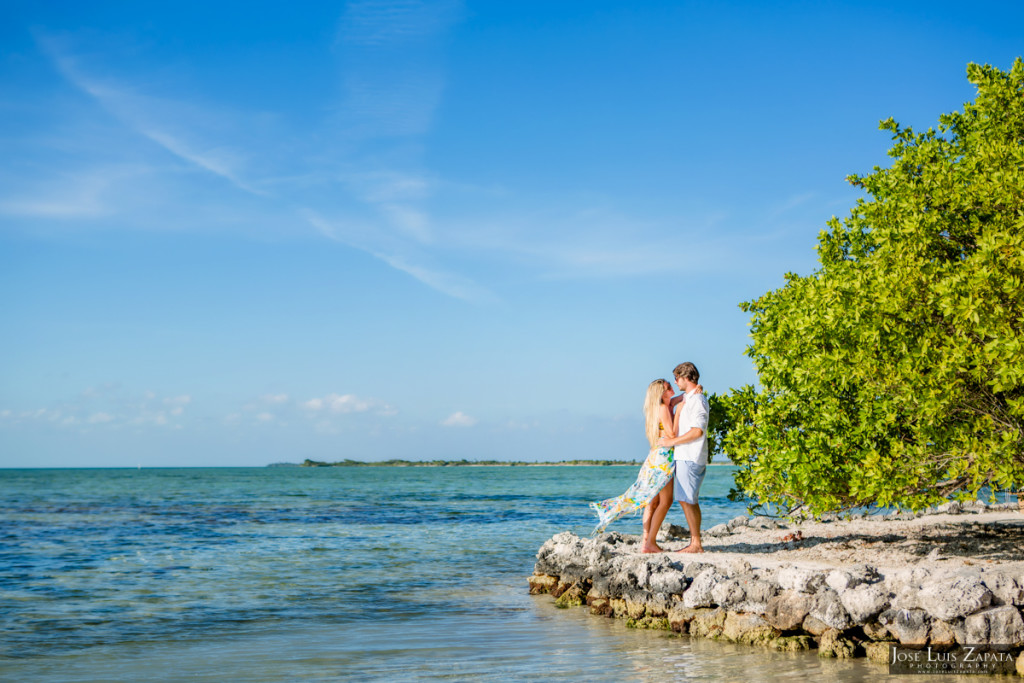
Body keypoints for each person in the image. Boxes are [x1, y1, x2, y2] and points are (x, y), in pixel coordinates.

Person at [589, 379, 676, 552]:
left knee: (651, 503)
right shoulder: (664, 409)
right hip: (663, 460)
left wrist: (690, 395)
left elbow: (676, 400)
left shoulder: (653, 411)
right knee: (666, 502)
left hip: (653, 458)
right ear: (661, 393)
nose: (672, 389)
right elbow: (672, 435)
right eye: (669, 388)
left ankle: (645, 542)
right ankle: (650, 543)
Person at [658, 362, 709, 553]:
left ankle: (696, 543)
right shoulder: (690, 396)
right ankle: (695, 542)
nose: (675, 381)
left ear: (685, 377)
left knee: (688, 499)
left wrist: (673, 442)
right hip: (685, 455)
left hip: (691, 455)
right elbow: (670, 402)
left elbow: (697, 431)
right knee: (685, 498)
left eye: (677, 378)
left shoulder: (697, 400)